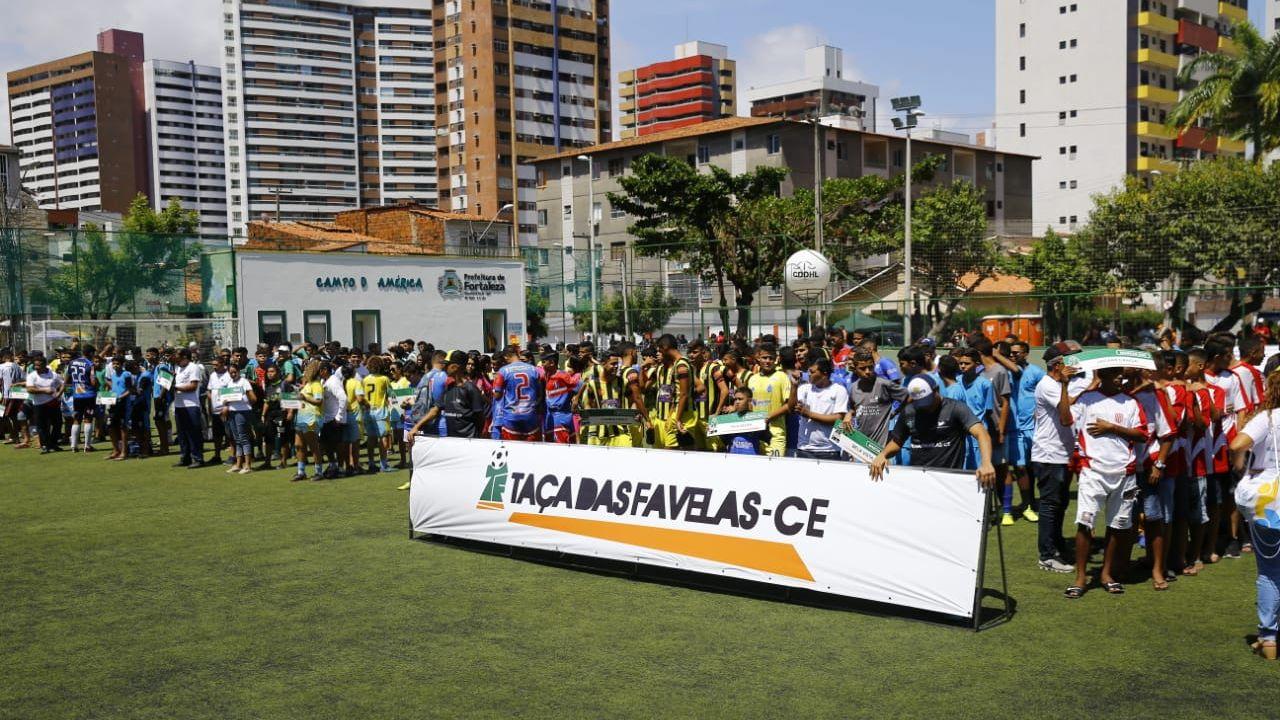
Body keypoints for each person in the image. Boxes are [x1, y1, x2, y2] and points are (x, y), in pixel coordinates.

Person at [1064, 366, 1148, 599]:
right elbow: (1065, 418)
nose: (1120, 377)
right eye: (1115, 374)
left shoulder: (1131, 402)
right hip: (1092, 470)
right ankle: (1080, 577)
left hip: (1124, 471)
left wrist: (1112, 428)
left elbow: (1143, 435)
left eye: (1121, 374)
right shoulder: (1087, 399)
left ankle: (1106, 573)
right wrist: (1063, 385)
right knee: (1085, 522)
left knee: (1117, 525)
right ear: (1102, 375)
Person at [1228, 372, 1280, 661]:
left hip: (1269, 501)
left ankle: (1269, 638)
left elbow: (1237, 444)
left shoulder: (1267, 418)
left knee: (1270, 572)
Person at [868, 375, 997, 486]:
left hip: (950, 480)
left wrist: (986, 463)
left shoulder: (956, 408)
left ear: (936, 390)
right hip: (919, 479)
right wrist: (883, 454)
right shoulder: (909, 411)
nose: (925, 407)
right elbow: (897, 442)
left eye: (927, 402)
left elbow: (981, 433)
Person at [1030, 342, 1083, 574]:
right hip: (1049, 454)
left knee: (1059, 504)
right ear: (1058, 365)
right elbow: (1065, 417)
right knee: (1051, 505)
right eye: (1070, 360)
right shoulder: (1048, 384)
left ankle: (1057, 546)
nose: (1076, 364)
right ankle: (1047, 555)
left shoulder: (1056, 384)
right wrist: (1064, 384)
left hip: (1059, 454)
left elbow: (1067, 403)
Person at [580, 347, 646, 447]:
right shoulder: (593, 384)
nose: (616, 367)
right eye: (613, 364)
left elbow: (633, 401)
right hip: (600, 434)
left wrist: (634, 413)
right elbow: (588, 404)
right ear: (603, 364)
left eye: (617, 364)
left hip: (621, 432)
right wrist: (590, 416)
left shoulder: (622, 382)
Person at [413, 351, 487, 438]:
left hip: (468, 442)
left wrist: (476, 436)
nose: (444, 367)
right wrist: (416, 427)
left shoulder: (470, 389)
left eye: (447, 364)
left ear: (455, 367)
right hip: (452, 441)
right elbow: (435, 410)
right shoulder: (449, 388)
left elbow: (480, 418)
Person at [795, 358, 849, 461]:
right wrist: (793, 386)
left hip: (830, 450)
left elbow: (838, 419)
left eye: (812, 372)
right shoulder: (804, 388)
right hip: (805, 449)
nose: (808, 374)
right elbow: (793, 407)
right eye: (808, 371)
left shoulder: (839, 390)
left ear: (824, 373)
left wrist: (809, 414)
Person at [745, 343, 792, 457]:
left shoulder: (782, 376)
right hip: (755, 434)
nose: (767, 361)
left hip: (775, 434)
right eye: (764, 357)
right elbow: (749, 404)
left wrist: (769, 417)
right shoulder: (752, 379)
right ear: (758, 358)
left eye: (771, 358)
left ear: (776, 359)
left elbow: (789, 405)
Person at [653, 334, 698, 450]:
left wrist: (677, 419)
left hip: (684, 414)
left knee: (678, 451)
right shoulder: (678, 364)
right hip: (678, 413)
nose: (659, 352)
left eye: (660, 349)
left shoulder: (681, 364)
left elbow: (683, 394)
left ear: (666, 347)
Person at [492, 345, 544, 442]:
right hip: (530, 416)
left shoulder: (503, 371)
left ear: (506, 356)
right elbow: (540, 394)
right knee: (531, 449)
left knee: (512, 450)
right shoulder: (534, 369)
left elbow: (497, 396)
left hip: (511, 417)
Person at [220, 363, 258, 474]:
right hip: (232, 411)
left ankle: (247, 465)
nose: (232, 374)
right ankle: (238, 464)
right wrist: (225, 401)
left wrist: (244, 392)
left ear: (238, 371)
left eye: (234, 372)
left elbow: (253, 399)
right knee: (237, 439)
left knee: (244, 438)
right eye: (230, 372)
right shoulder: (229, 383)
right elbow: (225, 399)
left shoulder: (244, 382)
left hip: (243, 411)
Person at [172, 349, 206, 469]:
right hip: (179, 405)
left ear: (185, 356)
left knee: (193, 433)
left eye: (177, 354)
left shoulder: (193, 367)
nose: (174, 357)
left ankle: (198, 458)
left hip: (191, 405)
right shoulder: (177, 368)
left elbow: (193, 386)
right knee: (182, 434)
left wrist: (175, 388)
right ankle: (185, 457)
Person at [24, 353, 64, 453]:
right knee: (42, 426)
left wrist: (59, 394)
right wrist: (44, 390)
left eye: (38, 365)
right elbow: (30, 389)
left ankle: (53, 444)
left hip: (53, 403)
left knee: (58, 424)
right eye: (35, 365)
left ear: (44, 365)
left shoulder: (53, 374)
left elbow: (63, 384)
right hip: (39, 404)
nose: (36, 367)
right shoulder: (32, 376)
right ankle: (45, 445)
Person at [292, 360, 325, 481]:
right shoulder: (308, 384)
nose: (305, 371)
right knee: (299, 445)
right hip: (302, 418)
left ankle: (318, 472)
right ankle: (301, 472)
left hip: (311, 418)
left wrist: (304, 397)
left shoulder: (316, 385)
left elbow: (319, 401)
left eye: (307, 369)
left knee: (313, 446)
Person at [719, 386, 773, 455]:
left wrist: (765, 426)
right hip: (732, 460)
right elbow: (724, 441)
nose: (737, 402)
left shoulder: (757, 420)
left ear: (749, 400)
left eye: (740, 399)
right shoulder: (729, 419)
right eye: (735, 399)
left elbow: (767, 439)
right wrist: (715, 429)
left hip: (752, 461)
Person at [66, 346, 98, 452]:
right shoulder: (90, 364)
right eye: (93, 353)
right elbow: (93, 382)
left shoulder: (72, 363)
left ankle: (73, 446)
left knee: (76, 419)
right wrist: (96, 382)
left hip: (77, 395)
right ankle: (87, 446)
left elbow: (67, 378)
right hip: (88, 395)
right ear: (90, 353)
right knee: (88, 419)